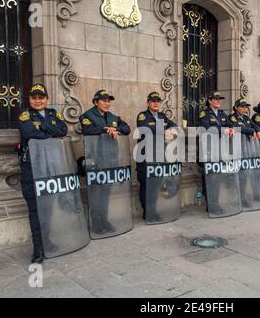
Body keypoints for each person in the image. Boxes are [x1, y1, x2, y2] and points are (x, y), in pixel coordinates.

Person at [18, 83, 68, 264]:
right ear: (29, 99)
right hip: (31, 167)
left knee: (47, 208)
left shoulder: (54, 114)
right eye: (34, 98)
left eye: (41, 98)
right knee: (35, 209)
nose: (38, 101)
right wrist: (50, 132)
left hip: (50, 167)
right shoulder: (25, 115)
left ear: (47, 99)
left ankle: (48, 242)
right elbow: (30, 133)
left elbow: (63, 130)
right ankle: (38, 249)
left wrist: (43, 128)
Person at [79, 89, 131, 234]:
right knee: (96, 193)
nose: (107, 103)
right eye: (104, 100)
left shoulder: (113, 116)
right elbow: (88, 130)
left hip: (110, 159)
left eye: (109, 101)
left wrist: (117, 130)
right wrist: (106, 129)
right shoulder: (87, 116)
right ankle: (96, 223)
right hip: (95, 160)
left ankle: (104, 220)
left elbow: (127, 128)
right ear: (96, 102)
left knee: (106, 193)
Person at [136, 92, 178, 220]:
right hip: (145, 157)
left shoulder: (162, 116)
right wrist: (163, 131)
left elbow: (174, 126)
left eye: (158, 101)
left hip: (159, 156)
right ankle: (147, 213)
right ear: (148, 102)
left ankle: (153, 212)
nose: (156, 103)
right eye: (153, 101)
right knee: (146, 185)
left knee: (155, 186)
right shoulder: (143, 116)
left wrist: (172, 130)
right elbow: (145, 129)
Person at [199, 91, 234, 213]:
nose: (219, 101)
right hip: (208, 151)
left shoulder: (222, 113)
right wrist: (224, 130)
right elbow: (207, 127)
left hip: (220, 151)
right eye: (216, 99)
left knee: (217, 178)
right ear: (209, 100)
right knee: (211, 178)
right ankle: (212, 205)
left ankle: (214, 203)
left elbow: (231, 125)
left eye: (220, 99)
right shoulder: (204, 113)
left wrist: (230, 130)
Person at [228, 97, 260, 208]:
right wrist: (251, 131)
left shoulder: (246, 118)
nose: (245, 108)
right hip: (237, 150)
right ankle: (238, 198)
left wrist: (257, 130)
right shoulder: (232, 117)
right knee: (239, 175)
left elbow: (254, 125)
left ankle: (244, 197)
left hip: (247, 150)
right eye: (242, 106)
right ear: (236, 107)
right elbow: (236, 127)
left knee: (246, 175)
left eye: (246, 106)